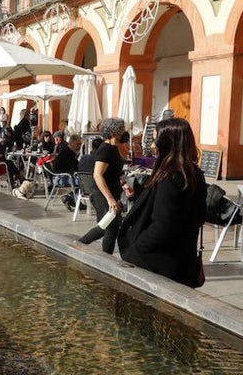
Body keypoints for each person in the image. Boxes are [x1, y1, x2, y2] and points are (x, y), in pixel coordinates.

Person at [117, 117, 208, 288]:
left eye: (155, 140)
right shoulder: (194, 173)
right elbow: (199, 215)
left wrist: (136, 249)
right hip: (183, 261)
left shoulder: (170, 176)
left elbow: (163, 224)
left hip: (161, 265)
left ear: (168, 142)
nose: (152, 146)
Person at [78, 119, 129, 254]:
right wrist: (110, 198)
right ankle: (78, 244)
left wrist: (123, 184)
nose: (124, 132)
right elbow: (97, 175)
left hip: (110, 192)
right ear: (114, 132)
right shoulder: (105, 150)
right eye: (122, 130)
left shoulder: (113, 149)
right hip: (102, 194)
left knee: (112, 227)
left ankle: (106, 257)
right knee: (108, 226)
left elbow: (113, 173)